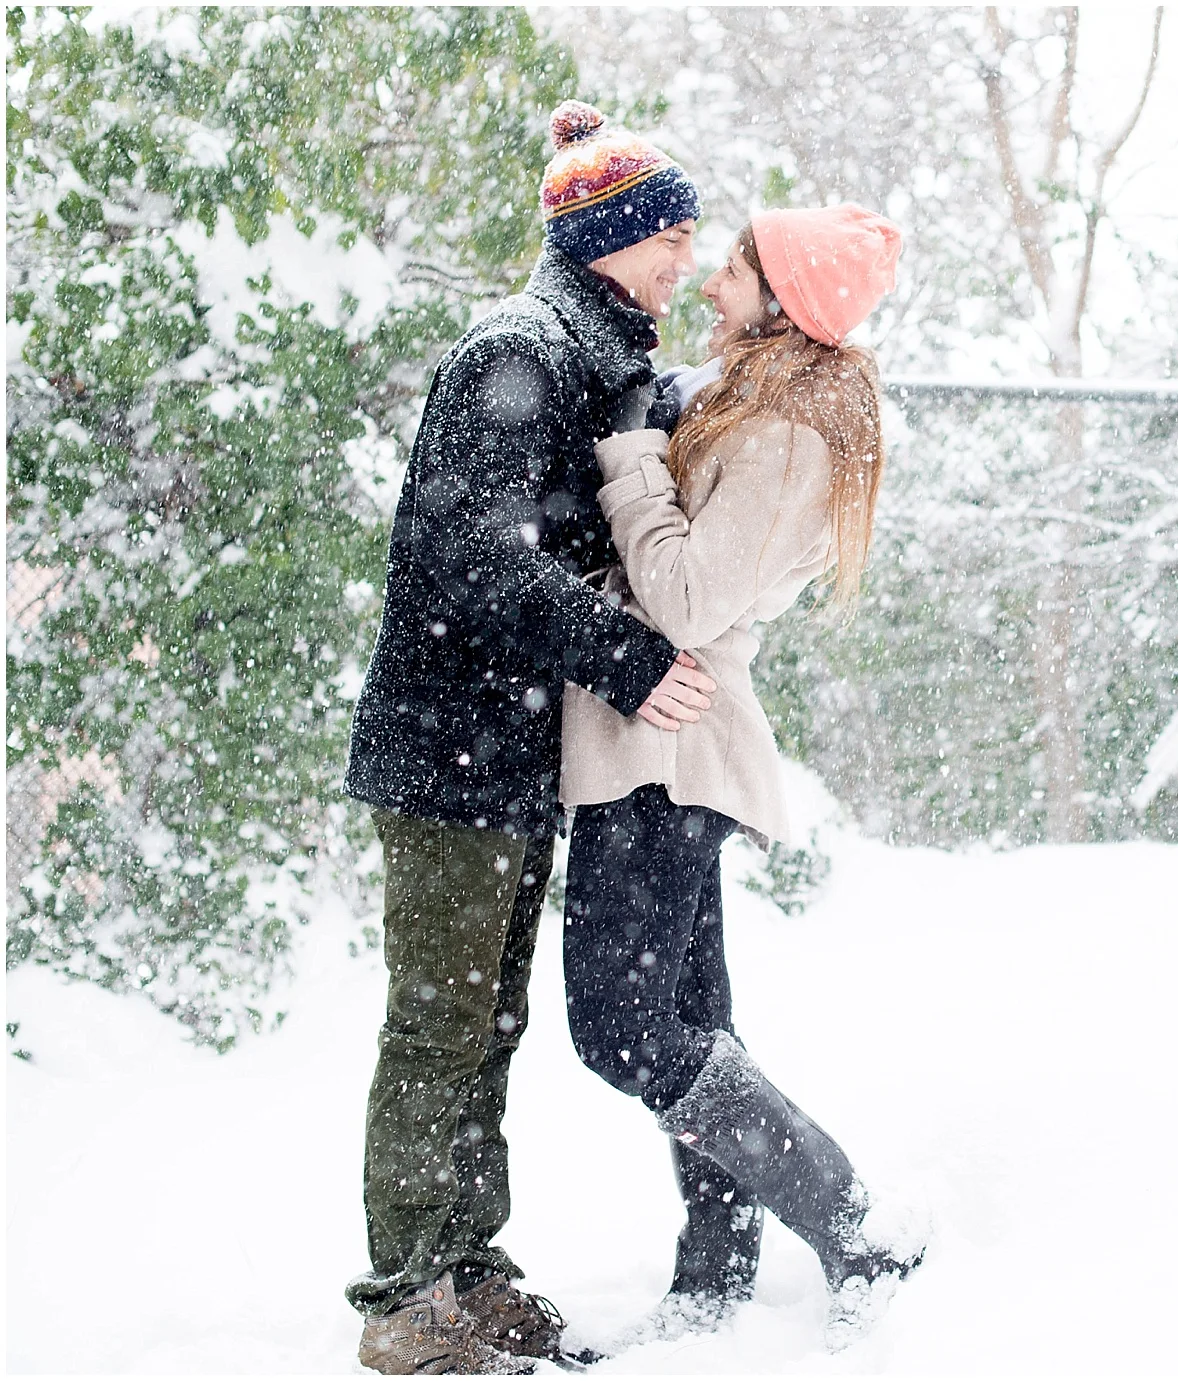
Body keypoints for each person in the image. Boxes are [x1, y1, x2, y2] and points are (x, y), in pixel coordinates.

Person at [342, 100, 721, 1375]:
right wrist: (628, 659)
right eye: (667, 233)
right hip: (448, 746)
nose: (684, 255)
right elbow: (466, 553)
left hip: (505, 754)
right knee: (441, 1024)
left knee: (483, 1018)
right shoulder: (518, 352)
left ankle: (466, 1267)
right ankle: (407, 1299)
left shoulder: (589, 348)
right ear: (608, 235)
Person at [556, 204, 924, 1348]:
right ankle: (715, 1265)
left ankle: (851, 1218)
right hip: (661, 748)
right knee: (690, 1017)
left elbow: (683, 601)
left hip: (665, 751)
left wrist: (625, 461)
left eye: (737, 269)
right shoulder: (758, 409)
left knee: (620, 1028)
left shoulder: (783, 437)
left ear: (784, 298)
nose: (714, 283)